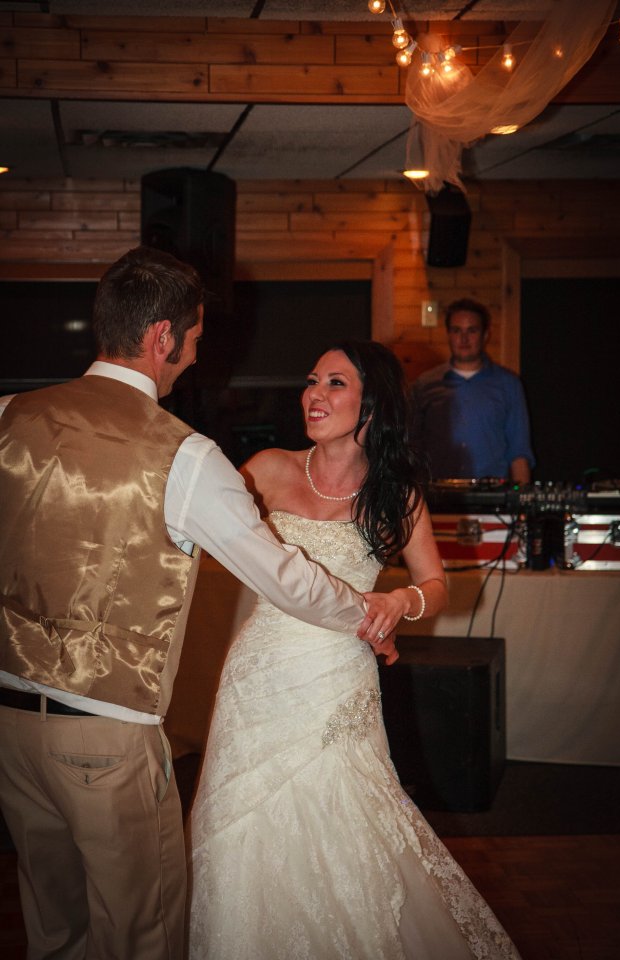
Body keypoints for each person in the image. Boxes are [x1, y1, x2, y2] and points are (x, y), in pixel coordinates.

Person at [0, 247, 401, 960]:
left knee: (53, 932)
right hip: (107, 738)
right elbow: (283, 576)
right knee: (142, 935)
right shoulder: (183, 456)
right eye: (193, 339)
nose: (194, 354)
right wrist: (364, 614)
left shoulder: (8, 415)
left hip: (10, 728)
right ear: (161, 339)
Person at [187, 340, 521, 960]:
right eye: (312, 380)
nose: (314, 394)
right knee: (241, 833)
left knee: (347, 825)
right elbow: (201, 528)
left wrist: (399, 603)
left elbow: (437, 587)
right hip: (257, 679)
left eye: (334, 384)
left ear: (372, 405)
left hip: (337, 681)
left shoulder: (397, 494)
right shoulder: (264, 469)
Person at [410, 298, 534, 483]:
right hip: (438, 496)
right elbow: (410, 447)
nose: (464, 338)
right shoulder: (425, 384)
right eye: (456, 330)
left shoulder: (508, 385)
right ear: (448, 334)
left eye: (472, 331)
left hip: (492, 498)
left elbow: (519, 451)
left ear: (486, 335)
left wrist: (522, 503)